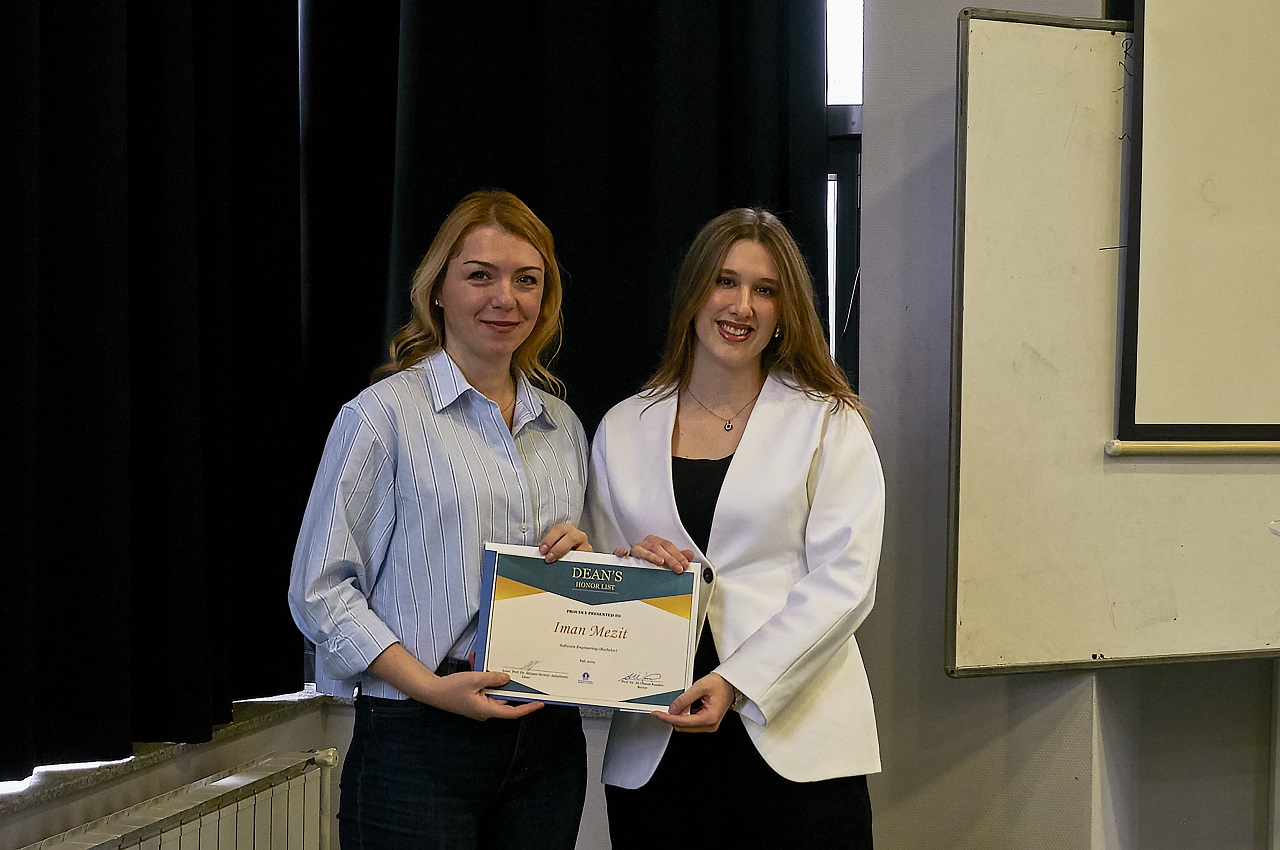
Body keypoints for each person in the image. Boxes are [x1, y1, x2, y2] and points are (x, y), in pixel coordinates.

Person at [289, 190, 593, 850]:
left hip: (546, 745)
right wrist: (431, 688)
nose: (504, 298)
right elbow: (319, 592)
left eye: (526, 279)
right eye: (480, 275)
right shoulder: (381, 417)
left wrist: (587, 560)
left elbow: (572, 580)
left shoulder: (563, 427)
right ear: (437, 290)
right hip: (415, 743)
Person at [584, 208, 885, 849]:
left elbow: (847, 581)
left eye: (764, 290)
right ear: (694, 292)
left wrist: (736, 681)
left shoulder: (827, 420)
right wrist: (626, 563)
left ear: (784, 311)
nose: (741, 306)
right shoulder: (622, 427)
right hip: (657, 749)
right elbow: (601, 579)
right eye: (725, 281)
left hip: (795, 740)